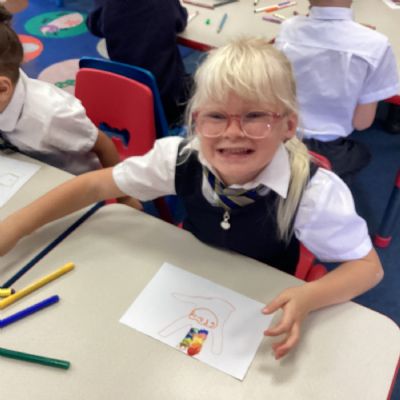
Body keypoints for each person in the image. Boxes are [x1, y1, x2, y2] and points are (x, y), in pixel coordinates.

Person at [0, 37, 383, 360]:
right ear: (196, 121)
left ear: (288, 125)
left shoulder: (313, 192)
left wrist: (310, 296)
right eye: (216, 117)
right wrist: (15, 226)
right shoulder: (179, 158)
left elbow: (368, 268)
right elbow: (91, 186)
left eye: (254, 116)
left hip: (259, 297)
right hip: (195, 278)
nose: (233, 133)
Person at [0, 6, 141, 208]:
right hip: (31, 174)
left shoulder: (50, 117)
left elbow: (104, 145)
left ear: (3, 88)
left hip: (74, 186)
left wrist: (124, 197)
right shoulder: (7, 93)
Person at [274, 0, 400, 182]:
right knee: (362, 154)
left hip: (282, 136)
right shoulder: (376, 44)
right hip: (328, 148)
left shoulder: (288, 28)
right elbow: (361, 123)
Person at [86, 0, 192, 127]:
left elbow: (94, 24)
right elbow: (180, 22)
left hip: (129, 101)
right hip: (170, 101)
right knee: (198, 83)